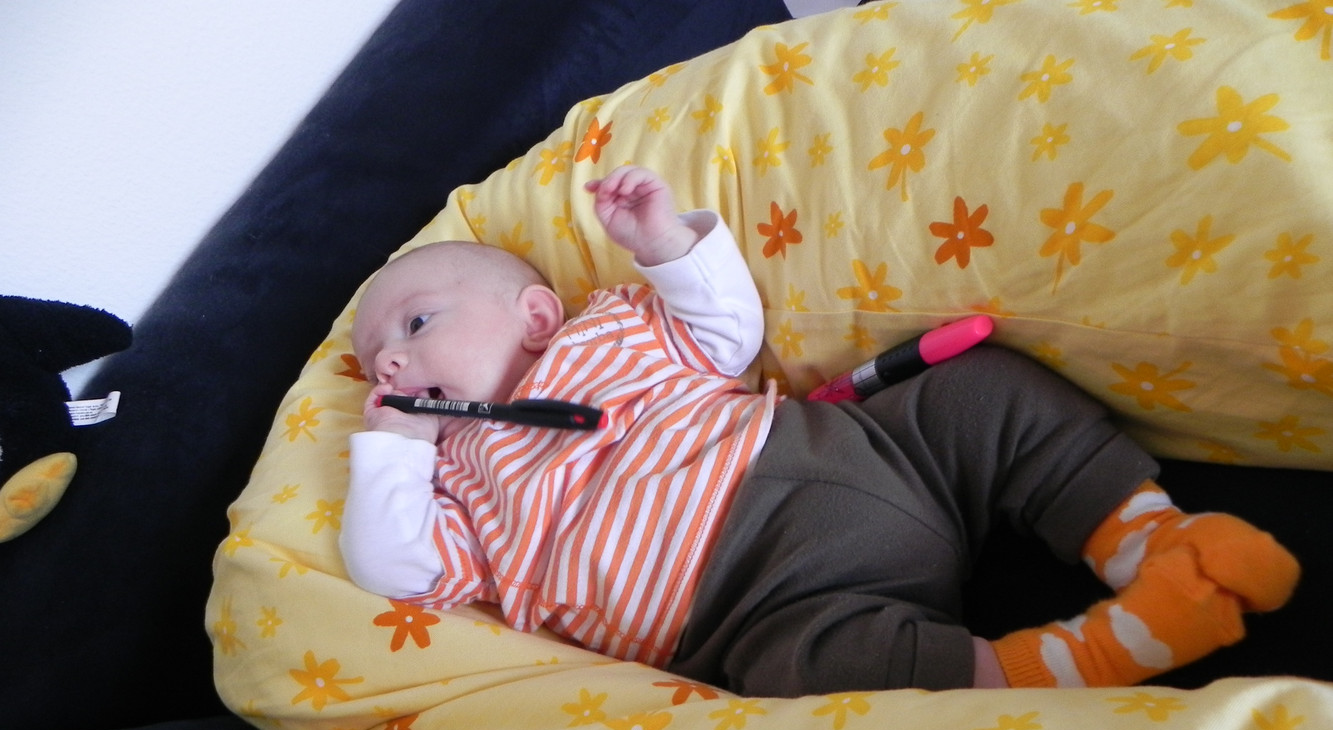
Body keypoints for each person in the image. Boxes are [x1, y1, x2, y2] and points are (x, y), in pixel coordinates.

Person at [340, 165, 1299, 694]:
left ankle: (1147, 537)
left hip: (862, 454)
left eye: (415, 324)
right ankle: (1078, 660)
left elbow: (724, 333)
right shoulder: (457, 484)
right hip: (758, 607)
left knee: (979, 391)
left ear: (536, 315)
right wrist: (394, 452)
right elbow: (395, 571)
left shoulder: (607, 330)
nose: (391, 363)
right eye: (377, 357)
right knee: (815, 680)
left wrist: (666, 246)